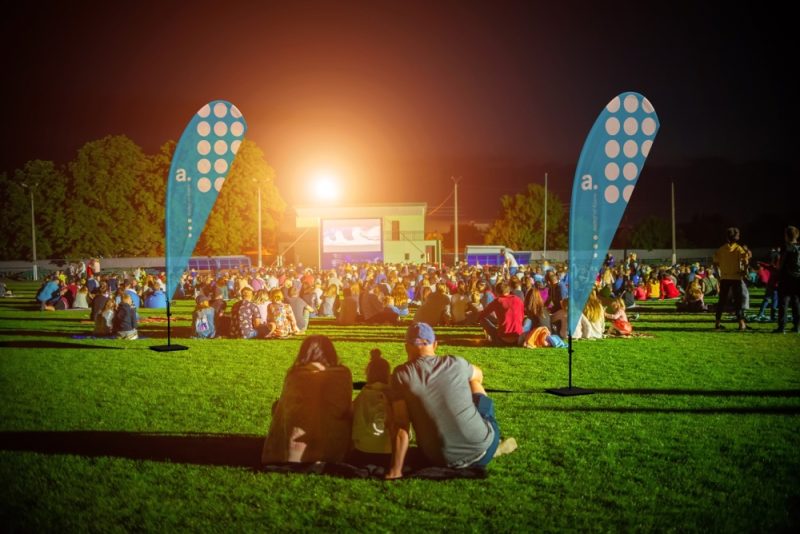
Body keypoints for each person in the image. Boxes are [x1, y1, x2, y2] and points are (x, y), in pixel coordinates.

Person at [385, 323, 516, 479]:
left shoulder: (401, 375)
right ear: (435, 344)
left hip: (439, 460)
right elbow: (479, 375)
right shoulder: (456, 363)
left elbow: (401, 425)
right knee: (473, 383)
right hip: (483, 450)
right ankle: (493, 447)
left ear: (407, 347)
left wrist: (395, 470)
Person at [261, 335, 353, 463]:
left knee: (278, 406)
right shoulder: (343, 374)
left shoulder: (295, 374)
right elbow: (345, 406)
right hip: (334, 444)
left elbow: (287, 406)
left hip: (296, 444)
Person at [351, 349, 393, 458]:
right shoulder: (394, 395)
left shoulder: (364, 395)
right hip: (391, 448)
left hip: (365, 447)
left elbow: (351, 413)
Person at [713, 227, 750, 331]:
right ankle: (741, 324)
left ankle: (717, 324)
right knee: (738, 301)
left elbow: (715, 264)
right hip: (736, 277)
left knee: (722, 301)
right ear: (736, 237)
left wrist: (718, 276)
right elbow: (745, 262)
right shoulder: (739, 249)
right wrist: (745, 271)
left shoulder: (720, 249)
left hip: (724, 278)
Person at [478, 280, 527, 346]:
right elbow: (522, 315)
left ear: (496, 292)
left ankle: (490, 338)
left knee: (482, 320)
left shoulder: (497, 301)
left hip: (502, 338)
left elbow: (483, 314)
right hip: (518, 337)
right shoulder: (518, 300)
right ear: (509, 291)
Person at [774, 225, 800, 334]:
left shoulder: (786, 248)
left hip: (786, 278)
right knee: (797, 302)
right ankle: (797, 326)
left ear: (786, 235)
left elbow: (781, 265)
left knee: (784, 303)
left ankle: (782, 327)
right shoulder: (799, 247)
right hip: (798, 279)